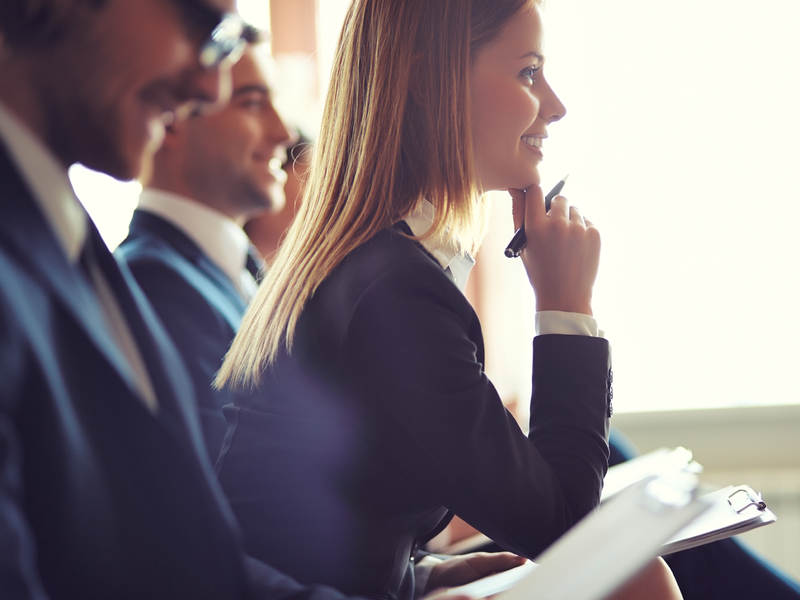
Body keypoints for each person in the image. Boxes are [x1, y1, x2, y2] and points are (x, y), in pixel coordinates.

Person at [0, 0, 517, 598]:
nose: (207, 84)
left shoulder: (70, 241)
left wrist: (413, 587)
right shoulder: (131, 277)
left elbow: (182, 556)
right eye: (199, 22)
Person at [214, 1, 680, 599]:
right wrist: (566, 307)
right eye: (528, 72)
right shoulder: (394, 291)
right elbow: (566, 526)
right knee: (641, 584)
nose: (555, 107)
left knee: (639, 573)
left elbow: (316, 523)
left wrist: (420, 575)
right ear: (427, 83)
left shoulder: (372, 262)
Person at [115, 44, 294, 460]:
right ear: (172, 119)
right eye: (252, 103)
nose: (284, 132)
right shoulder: (150, 282)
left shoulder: (238, 270)